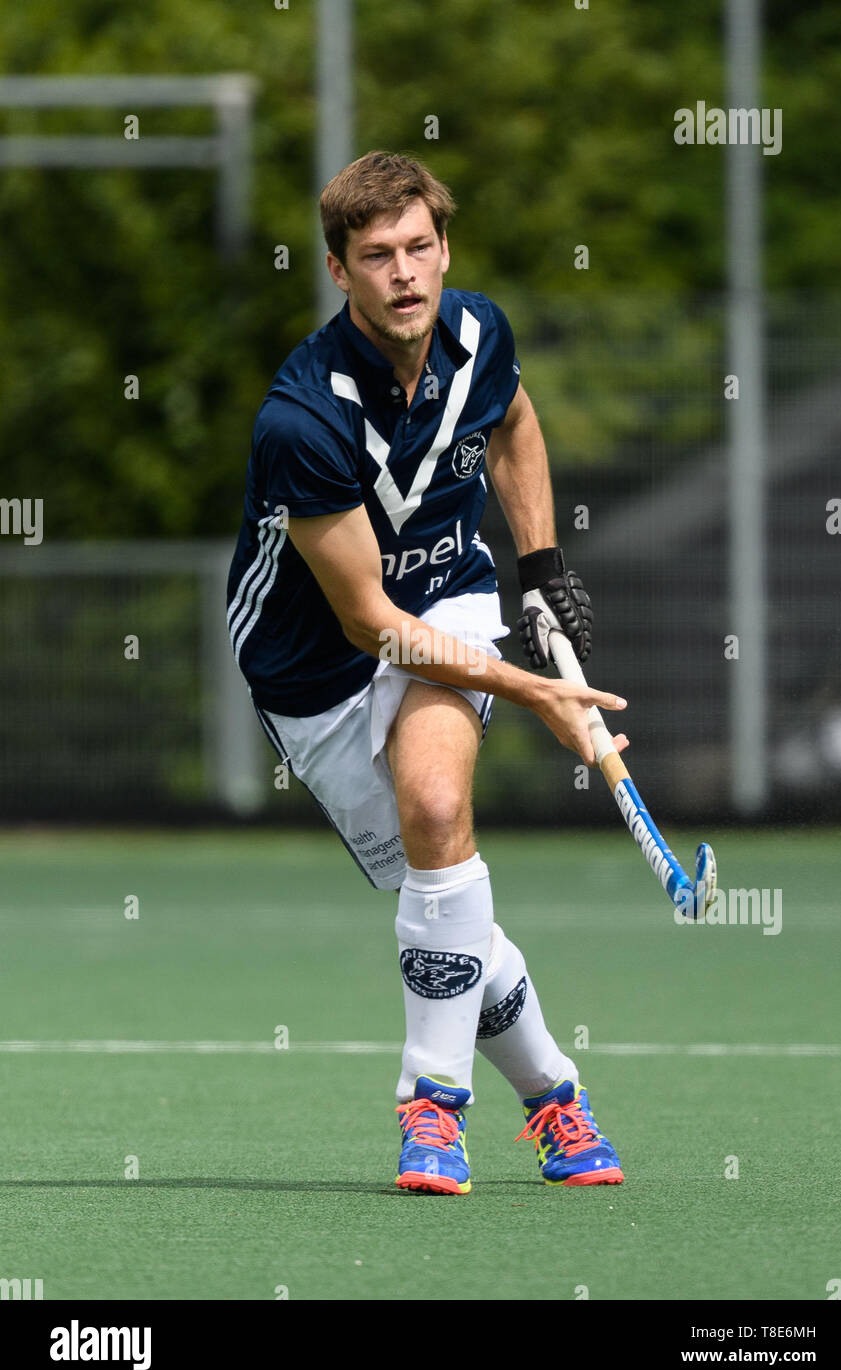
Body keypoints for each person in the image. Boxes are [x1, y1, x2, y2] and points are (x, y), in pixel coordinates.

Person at [227, 151, 629, 1194]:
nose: (403, 273)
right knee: (443, 908)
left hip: (446, 594)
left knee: (438, 804)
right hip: (313, 666)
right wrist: (536, 688)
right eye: (375, 257)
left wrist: (538, 571)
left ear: (442, 249)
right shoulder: (301, 420)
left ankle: (430, 1105)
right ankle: (554, 1098)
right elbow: (368, 623)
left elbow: (514, 424)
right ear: (337, 271)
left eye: (418, 249)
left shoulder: (477, 333)